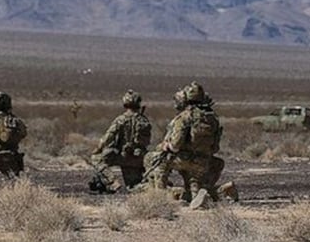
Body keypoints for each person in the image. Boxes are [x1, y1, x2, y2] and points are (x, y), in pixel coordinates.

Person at [155, 81, 237, 209]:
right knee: (194, 187)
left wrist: (166, 145)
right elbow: (215, 148)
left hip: (184, 160)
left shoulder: (185, 116)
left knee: (158, 162)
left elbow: (175, 146)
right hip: (202, 163)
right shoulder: (212, 118)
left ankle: (158, 199)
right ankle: (216, 192)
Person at [89, 90, 152, 193]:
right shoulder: (144, 120)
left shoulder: (121, 120)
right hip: (138, 158)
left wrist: (98, 148)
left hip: (123, 156)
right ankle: (155, 188)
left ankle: (113, 183)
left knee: (96, 158)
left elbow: (108, 137)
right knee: (133, 187)